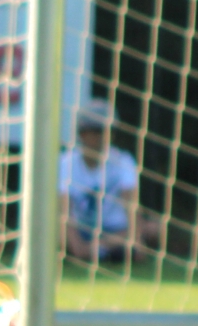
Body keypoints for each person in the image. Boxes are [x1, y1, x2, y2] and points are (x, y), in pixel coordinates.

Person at [59, 103, 158, 263]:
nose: (103, 137)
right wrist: (78, 247)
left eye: (108, 131)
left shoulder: (123, 161)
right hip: (82, 230)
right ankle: (107, 252)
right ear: (82, 134)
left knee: (155, 228)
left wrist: (135, 239)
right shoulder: (65, 163)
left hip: (116, 231)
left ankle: (102, 250)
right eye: (97, 131)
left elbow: (131, 207)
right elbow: (64, 210)